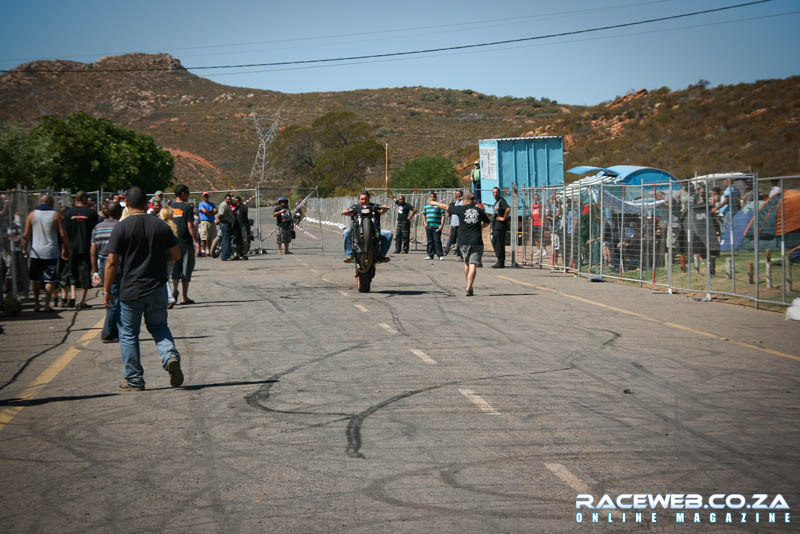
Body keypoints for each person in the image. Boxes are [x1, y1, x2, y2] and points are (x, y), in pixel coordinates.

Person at [103, 186, 184, 392]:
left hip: (131, 290)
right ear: (146, 204)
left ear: (127, 205)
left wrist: (106, 291)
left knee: (129, 334)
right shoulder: (160, 226)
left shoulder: (121, 227)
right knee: (159, 327)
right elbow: (176, 254)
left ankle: (135, 380)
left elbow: (111, 262)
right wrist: (158, 260)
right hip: (156, 287)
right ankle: (170, 356)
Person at [429, 192, 489, 296]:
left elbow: (447, 207)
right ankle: (469, 287)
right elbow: (488, 221)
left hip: (463, 241)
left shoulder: (461, 209)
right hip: (476, 240)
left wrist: (434, 203)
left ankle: (469, 285)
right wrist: (480, 227)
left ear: (465, 200)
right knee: (473, 264)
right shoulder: (479, 210)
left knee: (466, 264)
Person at [22, 194, 70, 312]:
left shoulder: (32, 215)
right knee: (50, 279)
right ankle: (47, 305)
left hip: (36, 251)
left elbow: (26, 234)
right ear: (49, 202)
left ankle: (37, 303)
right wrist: (68, 247)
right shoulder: (55, 215)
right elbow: (62, 234)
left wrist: (24, 248)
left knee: (36, 278)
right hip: (51, 251)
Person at [91, 202, 122, 342]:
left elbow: (93, 251)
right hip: (116, 264)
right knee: (114, 298)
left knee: (110, 294)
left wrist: (95, 271)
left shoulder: (97, 227)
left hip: (103, 264)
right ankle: (108, 332)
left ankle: (115, 330)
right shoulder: (120, 227)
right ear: (119, 213)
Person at [64, 191, 99, 309]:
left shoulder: (69, 213)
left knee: (72, 272)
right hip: (86, 248)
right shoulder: (92, 213)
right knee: (85, 274)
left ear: (76, 200)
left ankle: (73, 296)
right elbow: (96, 231)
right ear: (84, 199)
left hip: (72, 247)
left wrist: (64, 248)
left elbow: (65, 233)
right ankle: (82, 301)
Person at [341, 191, 392, 263]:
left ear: (369, 198)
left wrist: (384, 208)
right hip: (357, 231)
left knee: (388, 234)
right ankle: (349, 255)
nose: (364, 201)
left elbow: (381, 211)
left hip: (374, 231)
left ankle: (381, 256)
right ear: (359, 199)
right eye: (362, 199)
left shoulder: (374, 206)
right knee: (346, 232)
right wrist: (345, 211)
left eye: (366, 199)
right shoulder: (355, 207)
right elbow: (347, 212)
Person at [170, 184, 197, 304]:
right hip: (185, 243)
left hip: (172, 243)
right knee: (186, 269)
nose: (188, 196)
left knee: (175, 269)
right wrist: (197, 240)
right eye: (187, 193)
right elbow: (190, 226)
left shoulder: (170, 207)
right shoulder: (187, 208)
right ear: (182, 194)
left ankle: (174, 290)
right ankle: (184, 297)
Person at [159, 206, 179, 309]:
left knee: (163, 278)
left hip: (163, 255)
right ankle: (167, 298)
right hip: (172, 256)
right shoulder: (173, 225)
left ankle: (169, 298)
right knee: (165, 277)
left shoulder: (162, 226)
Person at [490, 187, 510, 268]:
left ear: (499, 193)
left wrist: (504, 218)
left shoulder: (502, 201)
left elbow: (508, 209)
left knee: (499, 244)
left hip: (500, 226)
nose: (495, 194)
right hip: (495, 226)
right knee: (495, 242)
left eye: (496, 192)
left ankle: (500, 261)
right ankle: (499, 260)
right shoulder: (496, 202)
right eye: (494, 192)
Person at [422, 193, 445, 260]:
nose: (432, 198)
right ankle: (430, 255)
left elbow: (443, 215)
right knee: (430, 241)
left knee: (437, 240)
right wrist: (424, 223)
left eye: (433, 197)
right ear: (429, 198)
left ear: (436, 198)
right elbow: (424, 214)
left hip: (436, 226)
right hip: (429, 226)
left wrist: (441, 225)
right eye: (431, 197)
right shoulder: (426, 206)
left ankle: (440, 255)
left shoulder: (439, 206)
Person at [443, 190, 464, 259]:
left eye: (459, 194)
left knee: (460, 238)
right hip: (453, 223)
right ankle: (446, 251)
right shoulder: (454, 203)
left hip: (460, 223)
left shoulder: (463, 202)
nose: (458, 195)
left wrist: (461, 198)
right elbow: (449, 212)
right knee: (451, 238)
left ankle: (458, 251)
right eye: (456, 194)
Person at [196, 192, 217, 257]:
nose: (206, 197)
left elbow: (216, 211)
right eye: (204, 196)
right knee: (204, 238)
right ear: (202, 197)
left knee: (210, 238)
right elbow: (204, 211)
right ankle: (203, 251)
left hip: (211, 221)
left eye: (207, 196)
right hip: (204, 222)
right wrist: (211, 212)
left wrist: (209, 212)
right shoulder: (201, 204)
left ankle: (209, 250)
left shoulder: (212, 204)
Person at [217, 194, 235, 260]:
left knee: (227, 240)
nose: (229, 200)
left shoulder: (227, 205)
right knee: (226, 240)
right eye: (228, 199)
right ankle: (225, 256)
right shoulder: (224, 205)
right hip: (225, 224)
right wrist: (219, 220)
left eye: (230, 199)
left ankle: (227, 255)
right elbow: (220, 215)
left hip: (227, 224)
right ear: (225, 199)